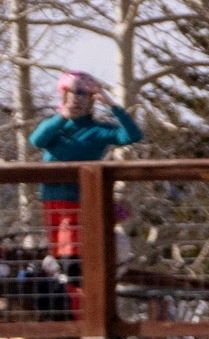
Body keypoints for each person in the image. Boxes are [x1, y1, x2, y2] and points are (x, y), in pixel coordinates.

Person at [27, 71, 141, 303]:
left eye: (85, 94)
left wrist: (112, 105)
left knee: (76, 259)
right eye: (73, 93)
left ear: (92, 99)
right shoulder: (55, 126)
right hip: (54, 200)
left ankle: (85, 310)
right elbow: (36, 140)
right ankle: (75, 309)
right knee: (63, 257)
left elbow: (132, 134)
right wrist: (62, 117)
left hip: (83, 200)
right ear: (64, 94)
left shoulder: (97, 130)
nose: (78, 99)